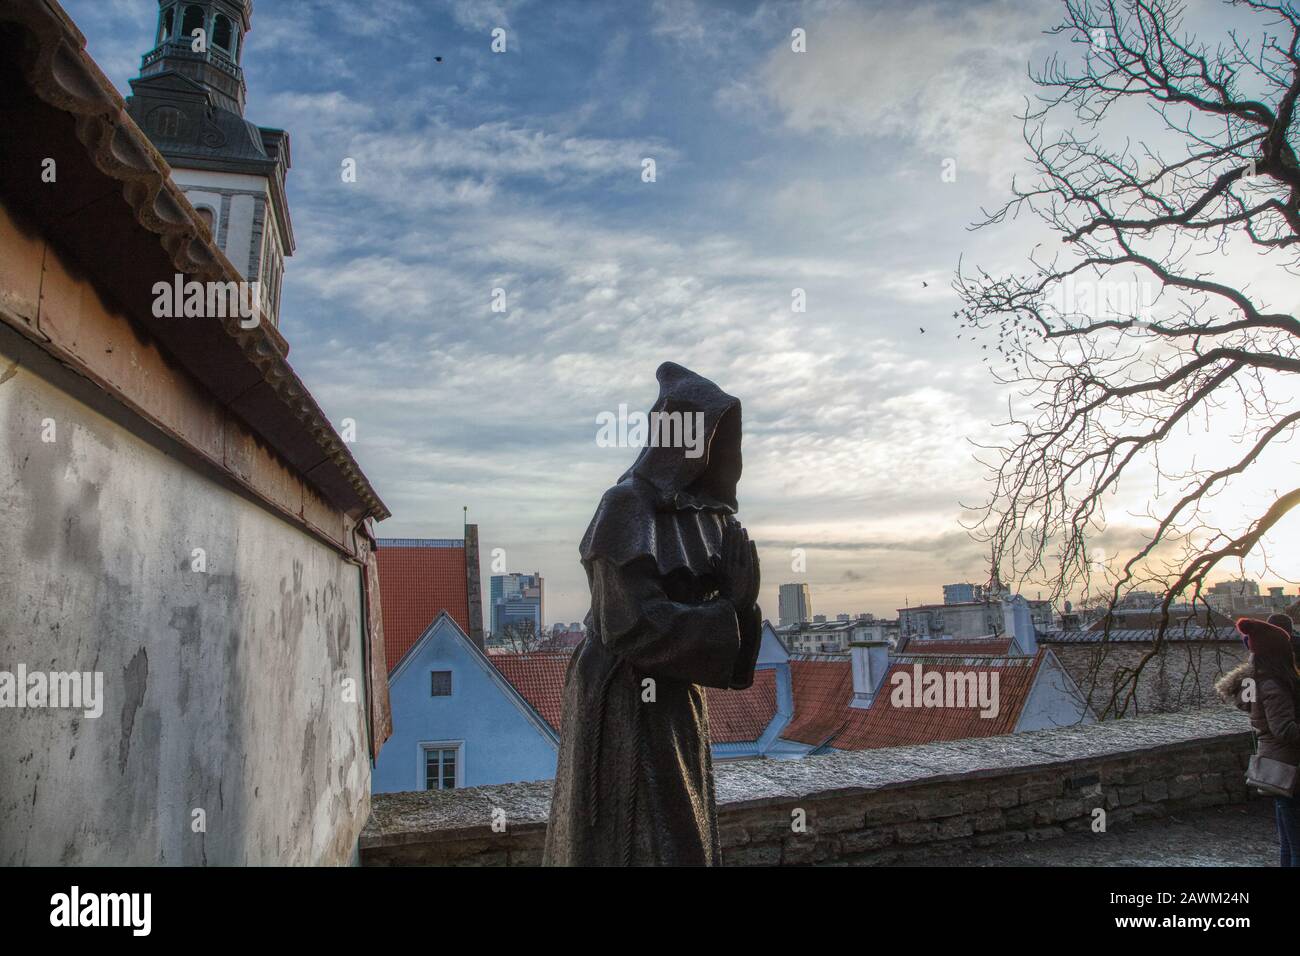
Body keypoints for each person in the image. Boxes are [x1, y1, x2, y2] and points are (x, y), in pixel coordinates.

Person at [544, 363, 762, 866]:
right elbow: (631, 628)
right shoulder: (625, 506)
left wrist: (739, 607)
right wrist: (729, 608)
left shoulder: (700, 520)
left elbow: (725, 619)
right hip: (623, 703)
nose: (710, 451)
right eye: (702, 435)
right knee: (640, 840)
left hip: (672, 703)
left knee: (680, 833)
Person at [1217, 617, 1300, 866]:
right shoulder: (1273, 684)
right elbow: (1284, 729)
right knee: (1296, 845)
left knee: (1289, 841)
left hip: (1281, 768)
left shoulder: (1262, 681)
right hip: (1289, 768)